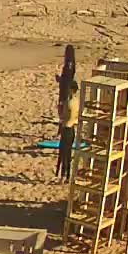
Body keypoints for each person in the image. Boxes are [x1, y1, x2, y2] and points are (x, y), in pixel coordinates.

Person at [56, 44, 79, 181]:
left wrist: (60, 113)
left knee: (63, 154)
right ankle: (67, 175)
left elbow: (64, 117)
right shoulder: (76, 101)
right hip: (72, 129)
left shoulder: (69, 103)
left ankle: (63, 175)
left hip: (67, 129)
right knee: (68, 154)